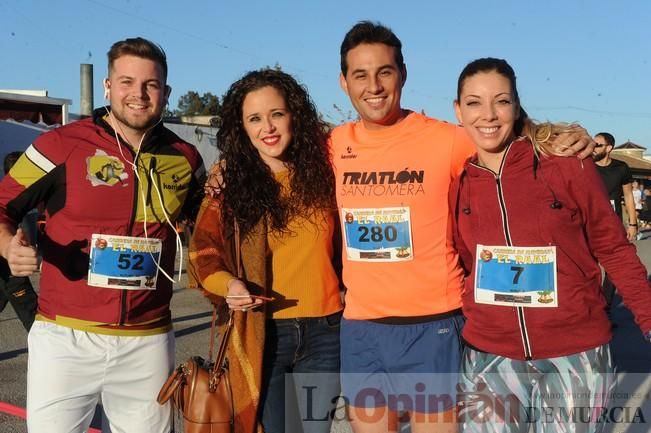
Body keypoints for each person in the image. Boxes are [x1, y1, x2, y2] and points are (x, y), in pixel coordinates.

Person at [332, 21, 595, 433]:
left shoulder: (447, 140)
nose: (374, 86)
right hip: (361, 330)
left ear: (403, 74)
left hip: (433, 325)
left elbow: (499, 130)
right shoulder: (331, 146)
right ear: (344, 82)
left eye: (384, 72)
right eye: (360, 75)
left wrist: (561, 133)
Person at [0, 37, 205, 433]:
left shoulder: (186, 158)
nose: (139, 95)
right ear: (108, 87)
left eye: (151, 85)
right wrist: (9, 245)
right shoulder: (58, 144)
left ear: (166, 93)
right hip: (66, 338)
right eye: (127, 82)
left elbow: (212, 226)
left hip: (148, 342)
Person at [450, 57, 651, 433]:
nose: (488, 114)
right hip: (491, 355)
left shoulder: (565, 165)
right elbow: (465, 260)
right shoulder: (460, 182)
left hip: (574, 351)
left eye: (502, 101)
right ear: (458, 111)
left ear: (516, 105)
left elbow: (613, 247)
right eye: (474, 102)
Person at [188, 69, 343, 433]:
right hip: (263, 333)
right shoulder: (229, 185)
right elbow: (202, 253)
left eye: (276, 114)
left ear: (295, 116)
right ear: (241, 127)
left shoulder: (328, 173)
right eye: (254, 119)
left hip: (327, 332)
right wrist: (229, 285)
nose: (267, 127)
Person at [0, 151, 38, 331]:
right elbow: (26, 229)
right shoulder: (13, 201)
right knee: (30, 311)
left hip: (10, 264)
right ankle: (45, 350)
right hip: (9, 264)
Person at [593, 132, 637, 241]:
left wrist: (633, 224)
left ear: (608, 148)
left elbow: (628, 196)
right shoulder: (586, 166)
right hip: (591, 222)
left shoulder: (621, 167)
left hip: (613, 223)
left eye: (598, 145)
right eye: (592, 144)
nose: (593, 148)